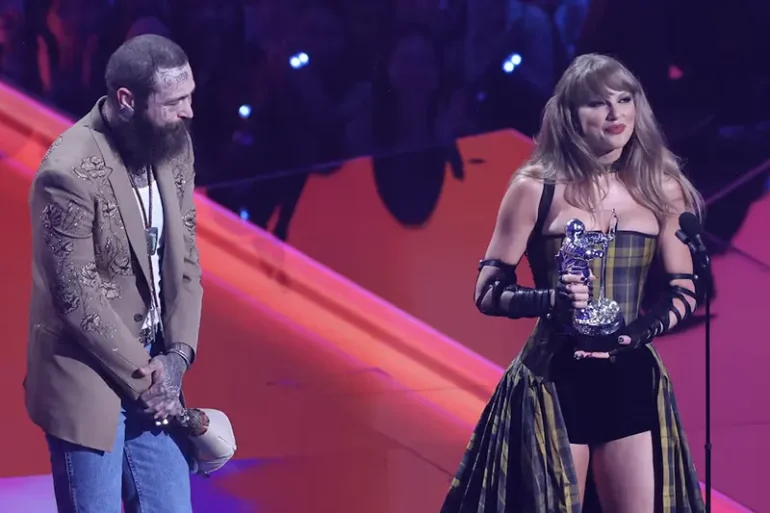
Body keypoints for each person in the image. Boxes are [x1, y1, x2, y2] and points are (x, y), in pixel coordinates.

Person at [441, 53, 706, 513]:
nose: (615, 113)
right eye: (598, 103)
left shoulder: (662, 188)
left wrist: (636, 333)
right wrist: (551, 300)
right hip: (551, 381)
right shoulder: (534, 187)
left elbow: (684, 289)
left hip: (629, 378)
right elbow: (487, 289)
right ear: (569, 115)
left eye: (625, 100)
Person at [26, 34, 202, 513]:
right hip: (86, 372)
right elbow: (76, 296)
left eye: (190, 95)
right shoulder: (67, 172)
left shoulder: (175, 144)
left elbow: (185, 256)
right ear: (127, 100)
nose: (189, 111)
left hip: (156, 368)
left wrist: (178, 356)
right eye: (175, 101)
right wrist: (153, 381)